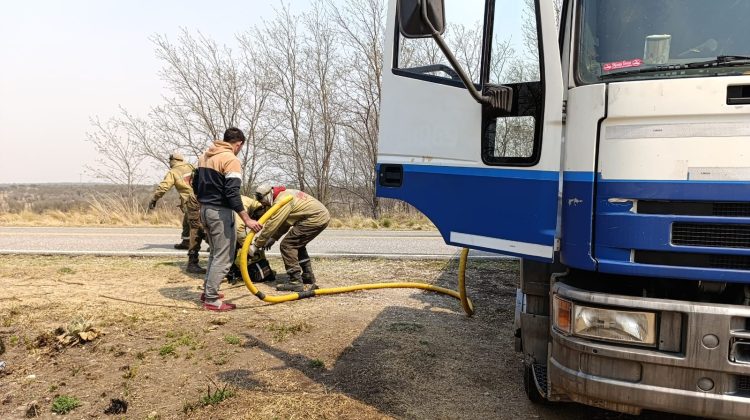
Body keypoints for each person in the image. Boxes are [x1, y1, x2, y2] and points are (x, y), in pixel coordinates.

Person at [192, 128, 262, 311]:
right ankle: (212, 300)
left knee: (215, 254)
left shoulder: (204, 157)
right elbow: (232, 193)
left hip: (205, 210)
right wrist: (247, 219)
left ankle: (208, 291)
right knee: (224, 257)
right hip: (219, 212)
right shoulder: (231, 160)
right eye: (240, 147)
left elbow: (194, 184)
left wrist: (204, 203)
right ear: (238, 144)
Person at [251, 185, 330, 292]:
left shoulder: (282, 200)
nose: (261, 203)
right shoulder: (283, 195)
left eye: (261, 199)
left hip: (315, 218)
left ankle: (295, 282)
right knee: (297, 245)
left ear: (268, 194)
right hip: (320, 216)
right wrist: (274, 238)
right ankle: (308, 276)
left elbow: (272, 224)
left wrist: (257, 245)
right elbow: (286, 222)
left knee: (287, 245)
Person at [148, 153, 206, 274]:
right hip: (203, 198)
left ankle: (203, 251)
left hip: (190, 201)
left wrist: (154, 199)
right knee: (189, 220)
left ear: (172, 160)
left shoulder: (173, 172)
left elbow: (164, 187)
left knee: (196, 227)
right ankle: (186, 241)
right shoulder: (191, 166)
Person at [226, 195, 275, 285]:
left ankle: (231, 271)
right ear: (261, 208)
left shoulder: (250, 204)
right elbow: (239, 229)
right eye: (259, 217)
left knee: (236, 243)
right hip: (212, 221)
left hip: (213, 217)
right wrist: (249, 247)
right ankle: (224, 274)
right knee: (227, 248)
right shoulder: (244, 204)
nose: (257, 219)